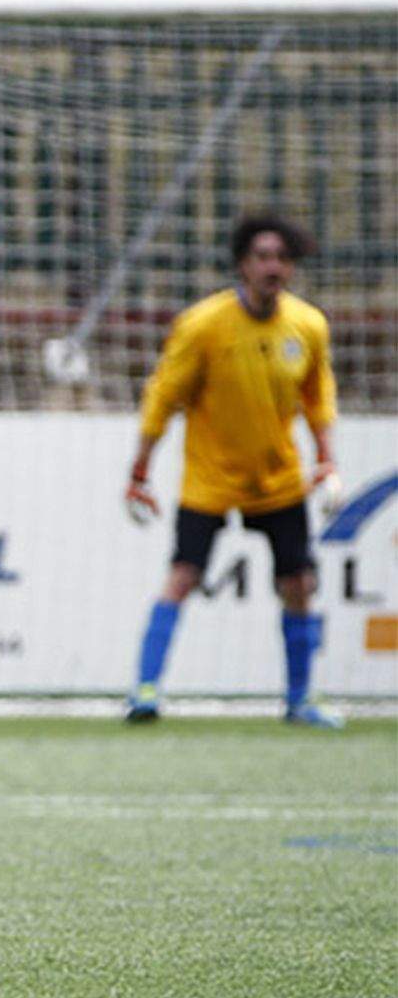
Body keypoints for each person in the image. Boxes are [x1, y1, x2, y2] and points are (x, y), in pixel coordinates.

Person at [123, 211, 343, 728]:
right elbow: (163, 397)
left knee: (299, 583)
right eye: (263, 257)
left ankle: (299, 699)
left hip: (277, 477)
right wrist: (140, 470)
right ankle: (145, 690)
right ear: (243, 264)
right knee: (183, 576)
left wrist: (326, 457)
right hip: (211, 476)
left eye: (282, 258)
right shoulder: (203, 325)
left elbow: (318, 396)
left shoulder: (308, 326)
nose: (273, 267)